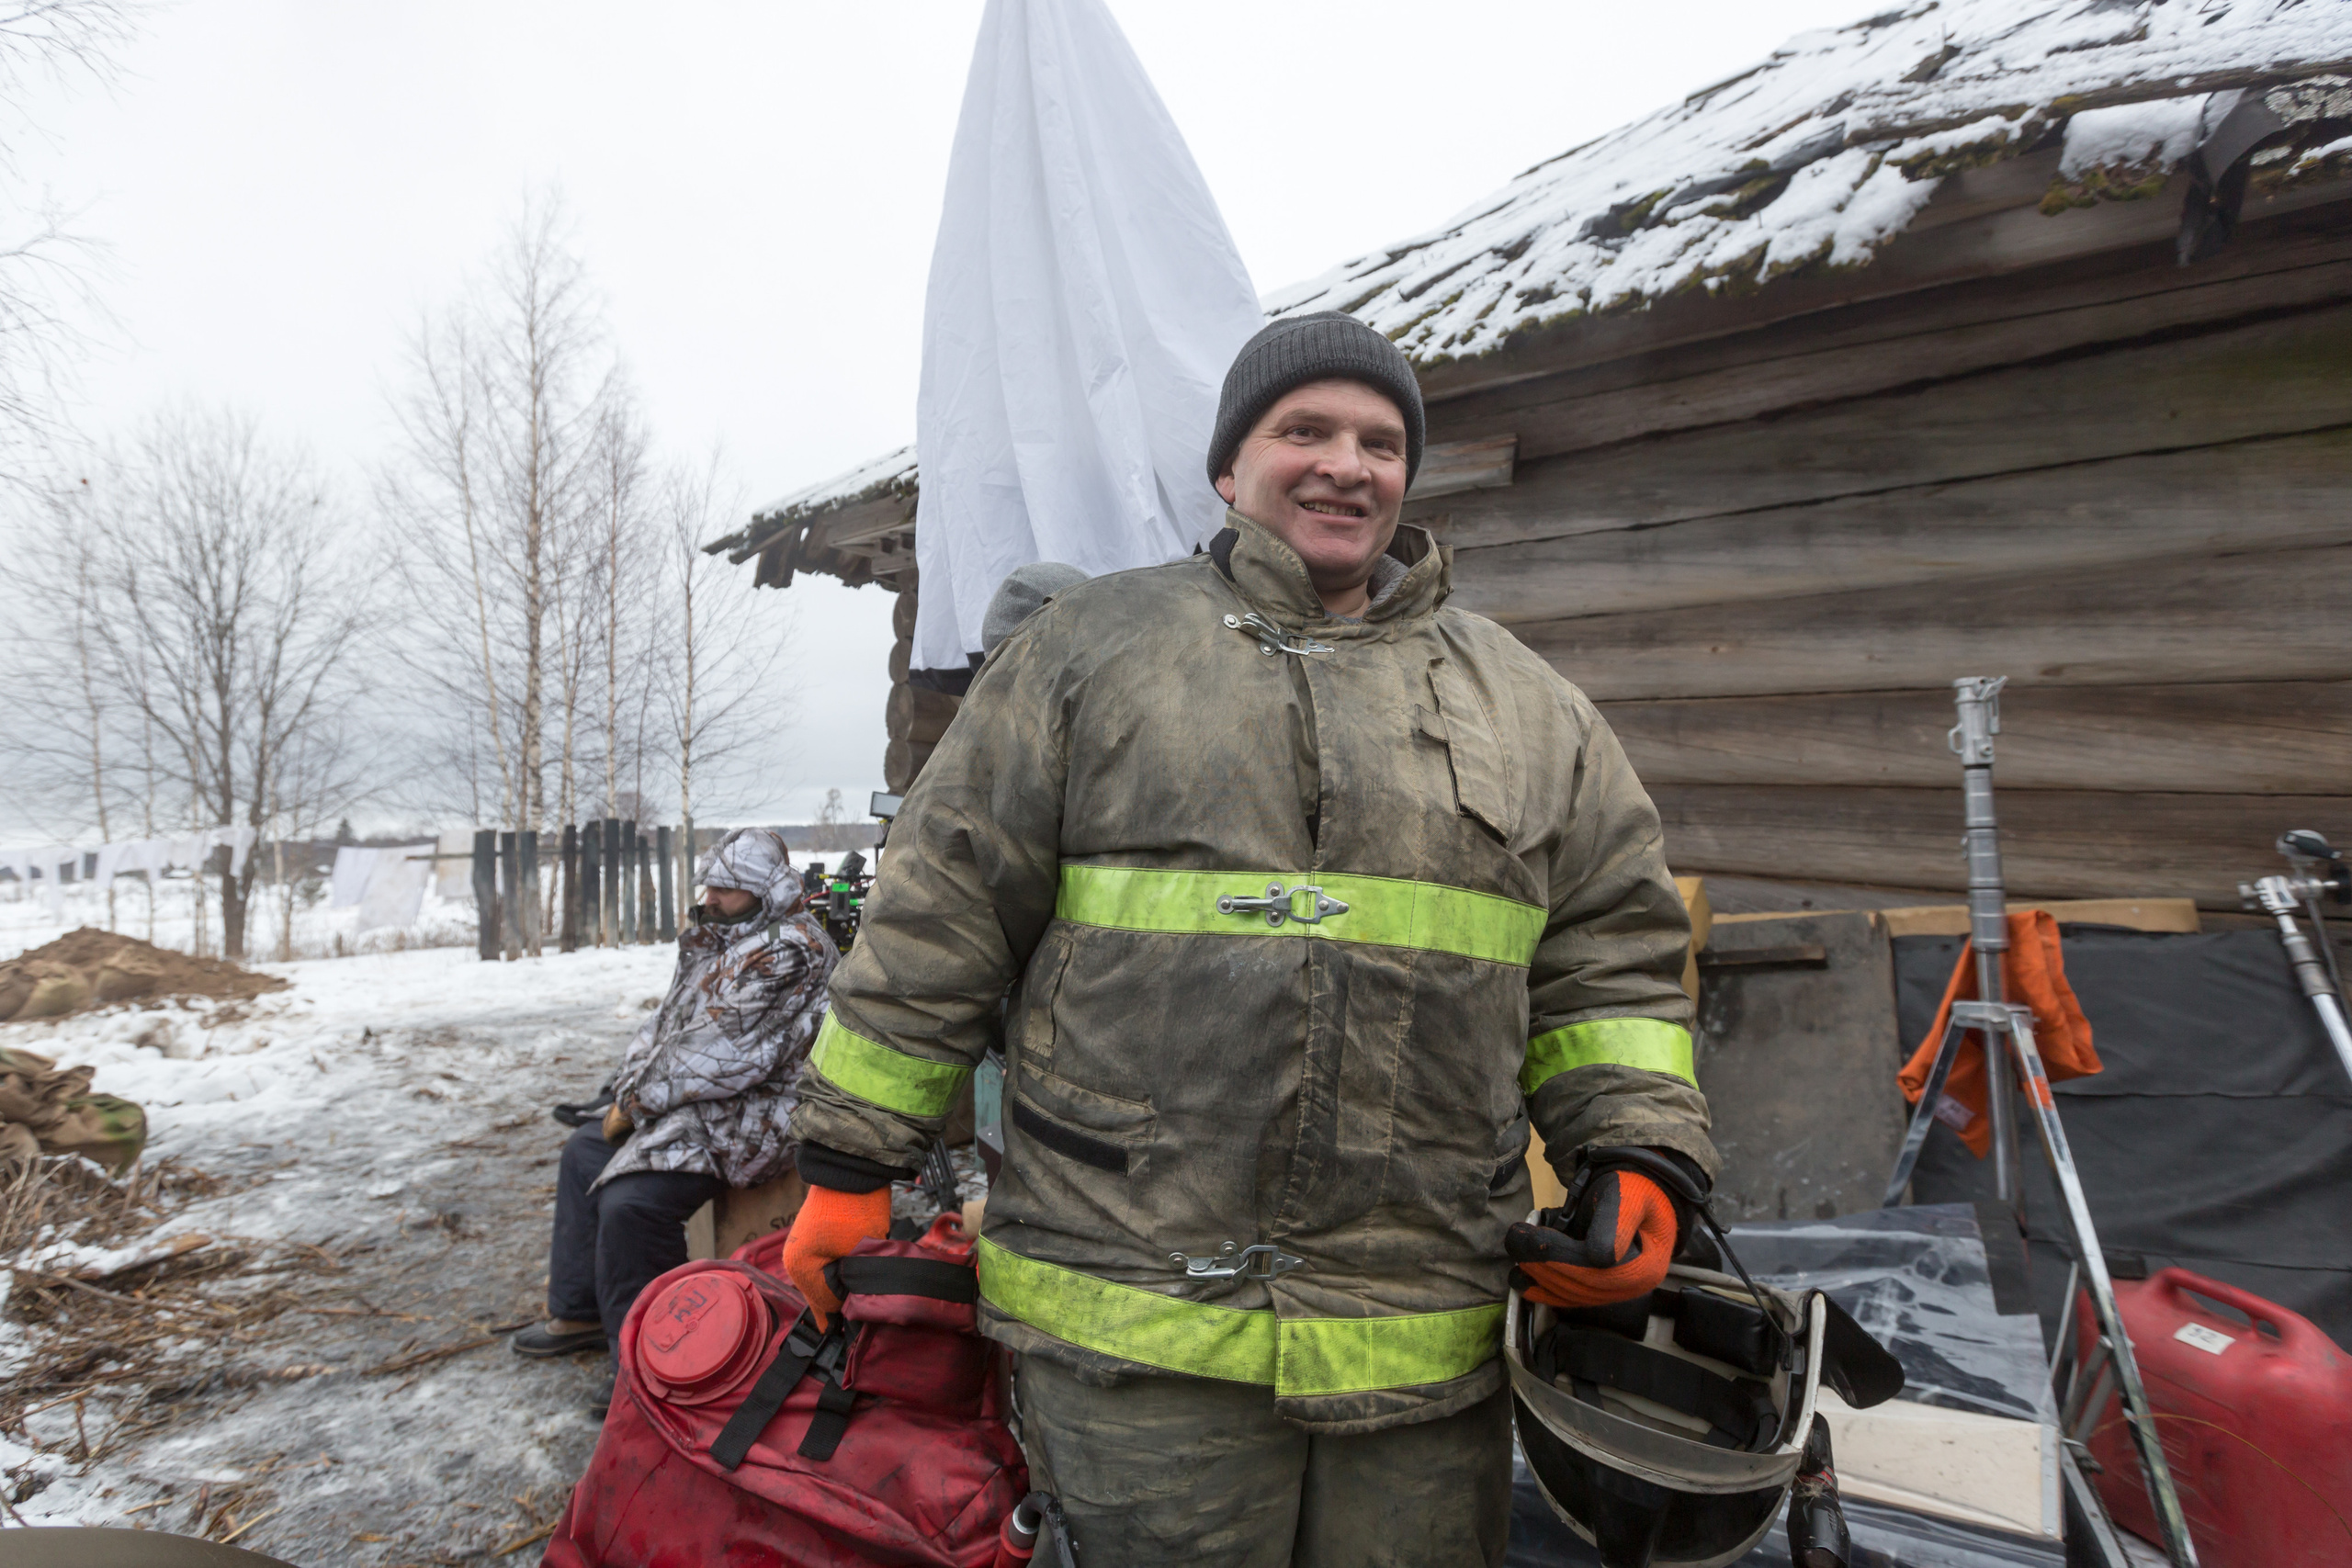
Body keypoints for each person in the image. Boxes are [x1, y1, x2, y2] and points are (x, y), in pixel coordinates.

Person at [780, 311, 1715, 1565]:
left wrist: (1637, 1150)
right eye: (1304, 430)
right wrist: (849, 1164)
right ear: (1230, 469)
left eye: (1381, 441)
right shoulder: (1087, 654)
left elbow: (1611, 951)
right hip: (1138, 1335)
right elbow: (940, 911)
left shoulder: (1527, 704)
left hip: (1421, 1341)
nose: (1347, 463)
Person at [513, 827, 838, 1413]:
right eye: (709, 883)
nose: (710, 896)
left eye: (727, 887)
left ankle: (649, 1376)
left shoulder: (787, 950)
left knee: (633, 1204)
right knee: (585, 1151)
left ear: (763, 891)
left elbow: (722, 1057)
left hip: (755, 1116)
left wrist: (634, 1105)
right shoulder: (722, 938)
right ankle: (581, 1310)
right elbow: (664, 1029)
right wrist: (622, 1090)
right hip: (699, 1102)